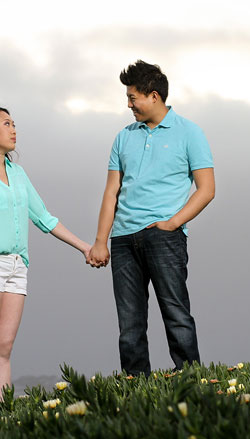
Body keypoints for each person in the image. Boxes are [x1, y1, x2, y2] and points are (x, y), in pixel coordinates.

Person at [0, 106, 91, 401]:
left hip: (18, 268)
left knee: (4, 348)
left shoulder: (19, 174)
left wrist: (85, 247)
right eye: (7, 124)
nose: (14, 129)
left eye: (14, 124)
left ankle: (1, 414)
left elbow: (45, 219)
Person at [87, 61, 215, 376]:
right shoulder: (123, 137)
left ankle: (190, 378)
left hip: (164, 237)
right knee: (129, 323)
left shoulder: (189, 132)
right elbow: (110, 193)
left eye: (133, 98)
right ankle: (136, 386)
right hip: (122, 241)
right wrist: (101, 241)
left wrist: (172, 223)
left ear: (154, 96)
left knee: (176, 313)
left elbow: (207, 189)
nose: (129, 105)